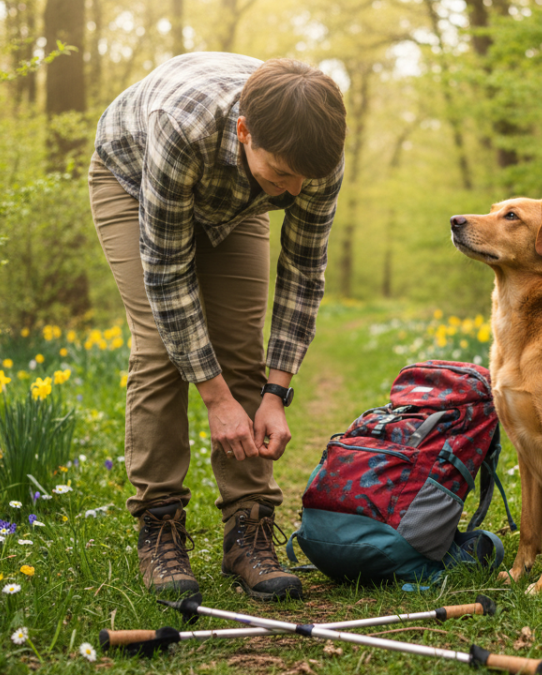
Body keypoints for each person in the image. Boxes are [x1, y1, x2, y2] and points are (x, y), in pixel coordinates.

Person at [88, 53, 345, 601]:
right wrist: (214, 397)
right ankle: (160, 525)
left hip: (238, 198)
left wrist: (275, 392)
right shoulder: (180, 126)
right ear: (245, 130)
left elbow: (303, 274)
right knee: (162, 348)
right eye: (284, 175)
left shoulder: (312, 159)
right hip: (133, 180)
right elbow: (166, 273)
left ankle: (247, 531)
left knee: (237, 348)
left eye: (306, 179)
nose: (296, 193)